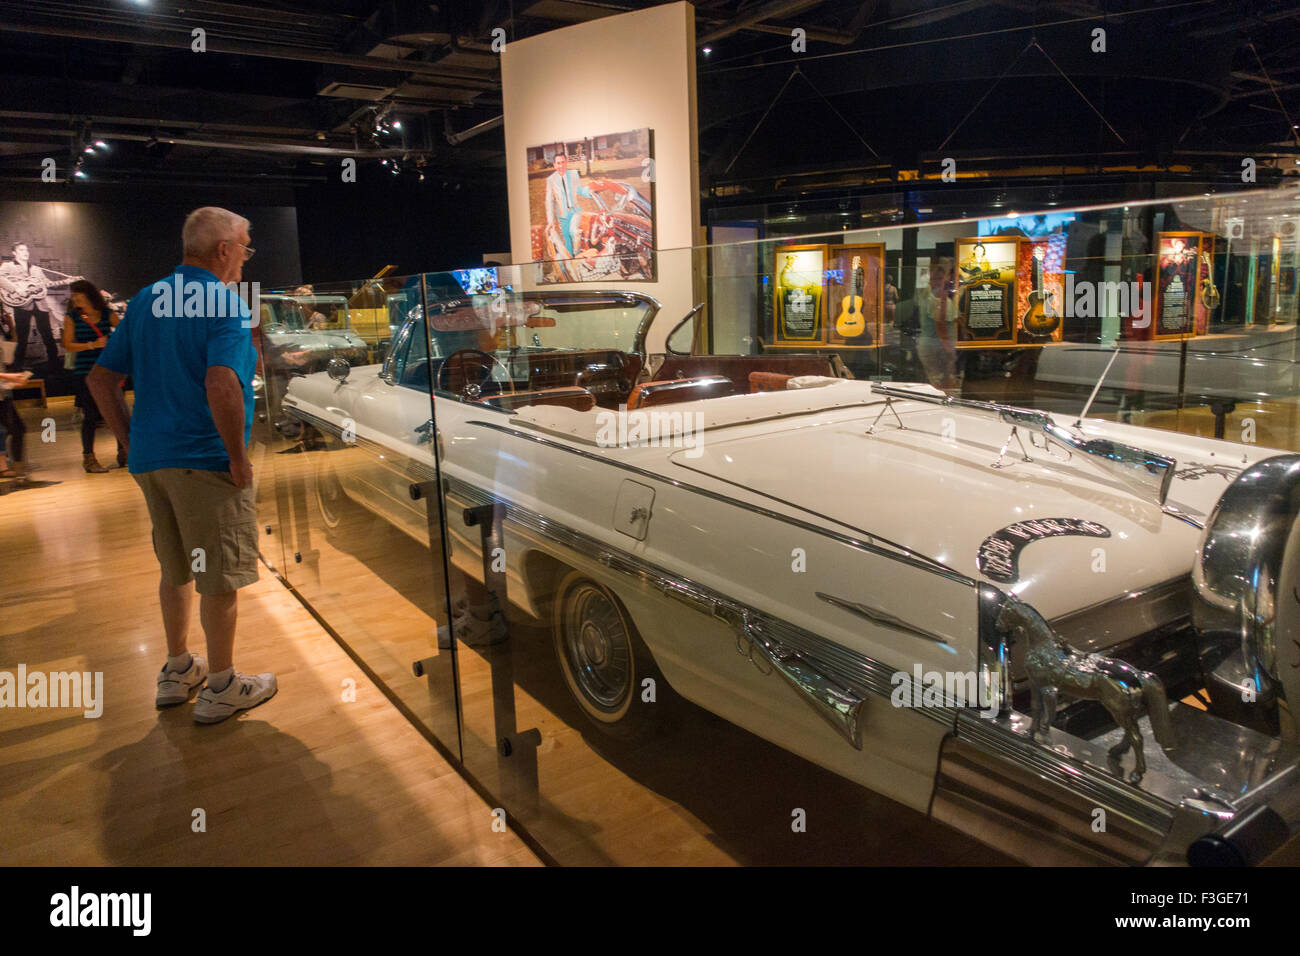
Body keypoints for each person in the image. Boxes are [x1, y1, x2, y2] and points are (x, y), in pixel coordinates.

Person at [88, 206, 277, 724]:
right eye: (244, 246)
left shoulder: (147, 300)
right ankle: (221, 685)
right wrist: (237, 457)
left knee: (176, 568)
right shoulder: (226, 304)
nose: (245, 256)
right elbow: (222, 383)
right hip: (205, 459)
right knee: (219, 576)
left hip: (153, 461)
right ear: (223, 250)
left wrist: (130, 443)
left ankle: (176, 669)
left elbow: (101, 379)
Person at [64, 280, 126, 472]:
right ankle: (89, 458)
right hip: (86, 372)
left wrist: (113, 344)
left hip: (109, 370)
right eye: (73, 295)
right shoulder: (72, 317)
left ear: (88, 295)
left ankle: (124, 451)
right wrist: (92, 345)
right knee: (90, 415)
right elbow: (67, 344)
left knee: (117, 412)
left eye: (78, 294)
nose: (74, 299)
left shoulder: (107, 313)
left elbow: (126, 332)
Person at [0, 242, 75, 373]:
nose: (26, 252)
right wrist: (16, 289)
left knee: (48, 335)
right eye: (22, 249)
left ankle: (55, 364)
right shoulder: (8, 266)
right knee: (22, 337)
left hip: (40, 304)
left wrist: (66, 282)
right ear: (14, 253)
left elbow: (47, 284)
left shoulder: (36, 269)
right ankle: (18, 366)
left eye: (27, 250)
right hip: (22, 304)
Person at [543, 150, 592, 259]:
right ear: (554, 165)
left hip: (575, 211)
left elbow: (579, 189)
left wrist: (591, 191)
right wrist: (550, 221)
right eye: (558, 163)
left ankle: (579, 257)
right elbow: (549, 202)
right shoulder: (551, 180)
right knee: (567, 240)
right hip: (562, 216)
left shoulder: (573, 174)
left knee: (573, 232)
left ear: (566, 162)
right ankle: (571, 262)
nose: (561, 165)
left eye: (563, 162)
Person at [0, 367, 31, 481]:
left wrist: (10, 382)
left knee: (17, 429)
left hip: (3, 396)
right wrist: (8, 377)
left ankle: (18, 468)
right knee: (13, 430)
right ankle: (15, 468)